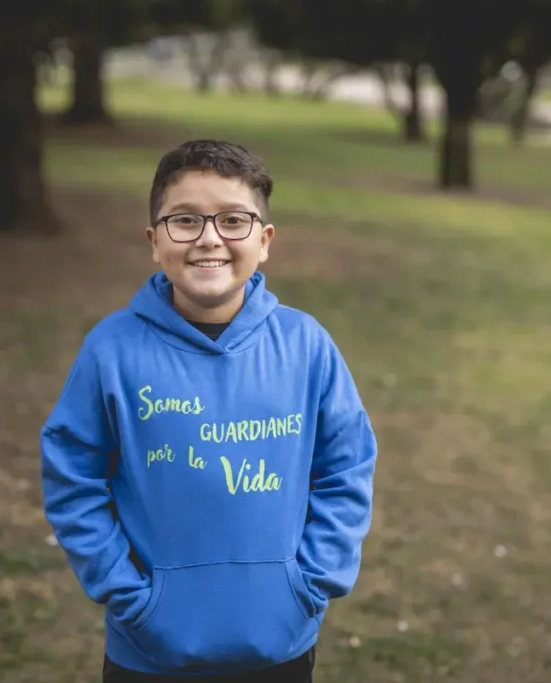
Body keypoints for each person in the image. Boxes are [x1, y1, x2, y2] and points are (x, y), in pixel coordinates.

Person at [40, 139, 378, 682]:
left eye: (233, 220)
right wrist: (126, 594)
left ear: (264, 241)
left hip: (280, 641)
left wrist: (312, 582)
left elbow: (346, 467)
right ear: (155, 242)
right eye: (185, 221)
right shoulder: (112, 350)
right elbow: (73, 478)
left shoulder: (306, 345)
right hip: (149, 650)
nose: (209, 239)